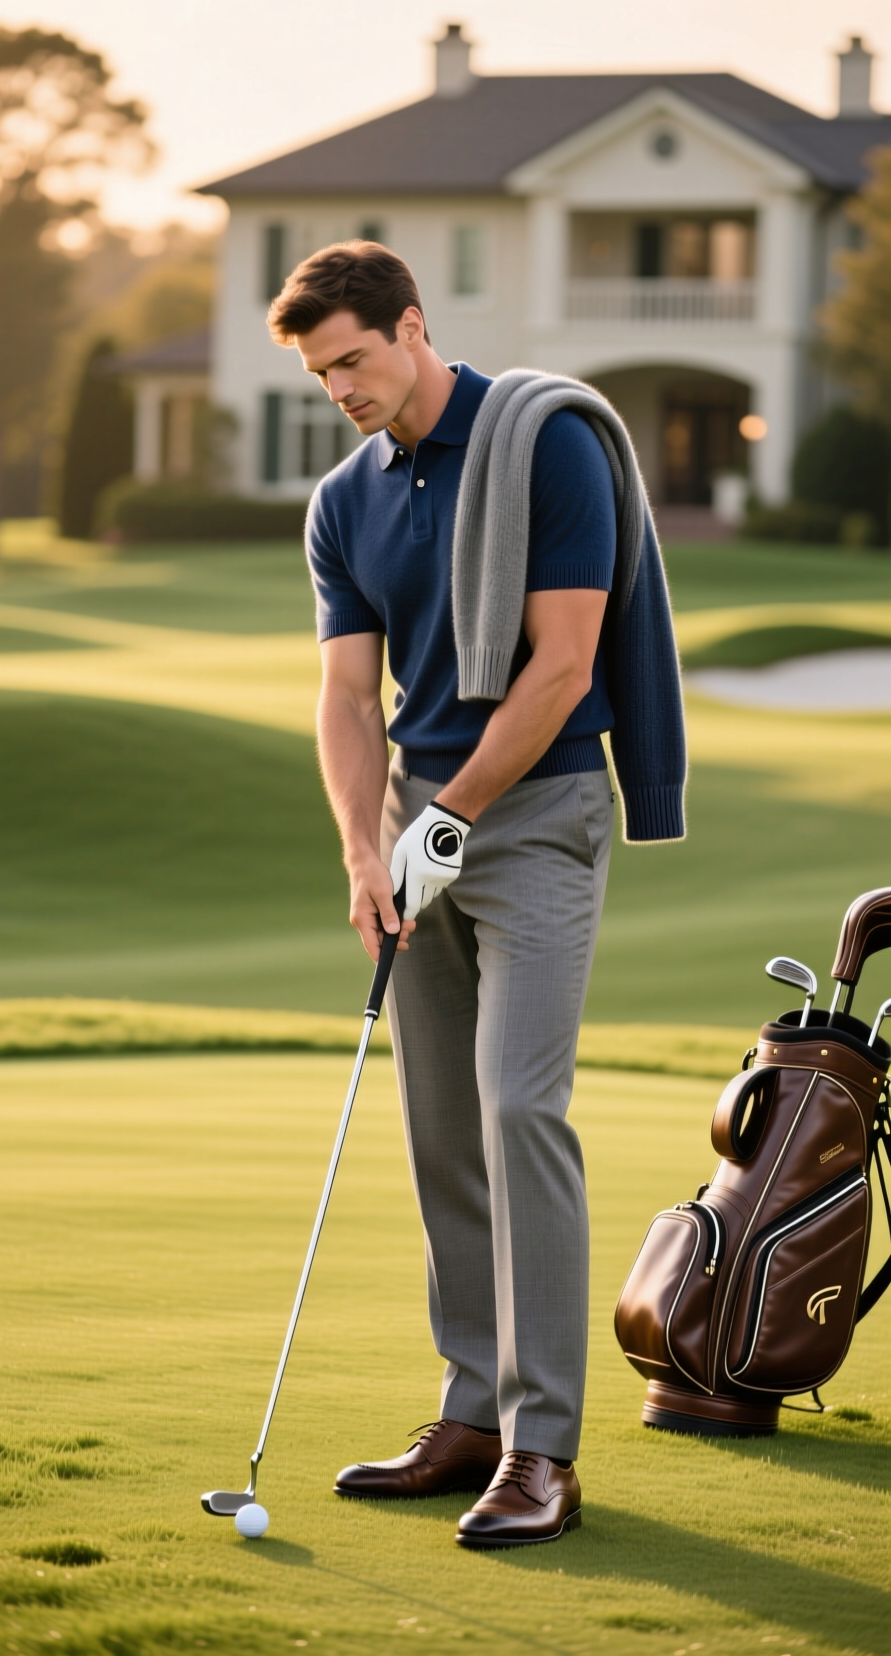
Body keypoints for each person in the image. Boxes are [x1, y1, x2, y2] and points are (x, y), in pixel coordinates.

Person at [268, 241, 685, 1550]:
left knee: (517, 1109)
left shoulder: (546, 443)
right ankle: (467, 1411)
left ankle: (542, 1447)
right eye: (317, 372)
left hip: (537, 816)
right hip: (415, 827)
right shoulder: (344, 499)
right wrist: (362, 849)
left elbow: (563, 668)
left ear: (411, 326)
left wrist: (453, 815)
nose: (341, 388)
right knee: (441, 1123)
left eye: (353, 359)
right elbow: (347, 697)